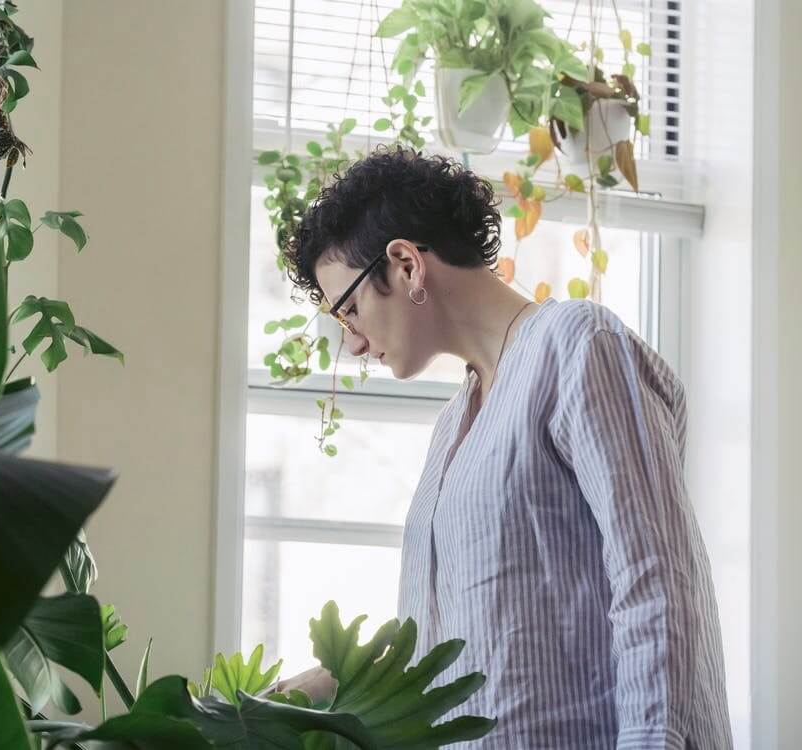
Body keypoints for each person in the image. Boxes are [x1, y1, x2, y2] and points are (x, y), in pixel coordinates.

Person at [269, 147, 733, 749]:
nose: (352, 344)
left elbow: (658, 583)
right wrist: (304, 693)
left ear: (407, 264)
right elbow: (447, 641)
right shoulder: (453, 427)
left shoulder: (577, 347)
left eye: (350, 310)